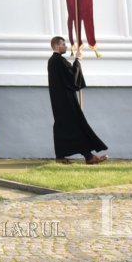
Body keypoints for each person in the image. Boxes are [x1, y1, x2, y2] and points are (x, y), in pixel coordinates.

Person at [46, 36, 108, 165]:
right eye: (63, 44)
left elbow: (68, 78)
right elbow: (72, 77)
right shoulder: (58, 61)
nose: (66, 46)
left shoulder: (52, 61)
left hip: (59, 102)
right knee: (77, 126)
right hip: (66, 102)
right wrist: (78, 59)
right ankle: (89, 157)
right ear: (57, 45)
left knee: (64, 128)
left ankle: (61, 157)